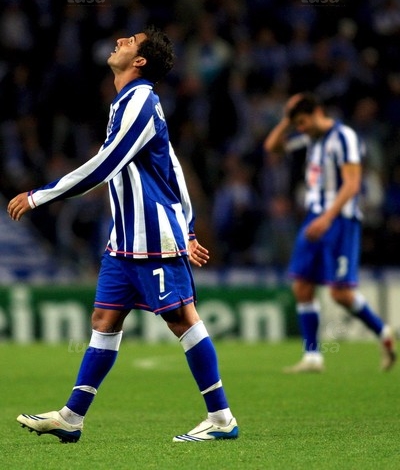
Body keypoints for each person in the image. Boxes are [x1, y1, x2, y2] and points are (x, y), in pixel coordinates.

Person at [8, 26, 239, 443]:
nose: (119, 41)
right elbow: (172, 167)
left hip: (153, 240)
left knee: (182, 319)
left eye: (130, 42)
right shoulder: (125, 103)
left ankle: (221, 418)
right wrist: (188, 227)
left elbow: (104, 165)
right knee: (104, 319)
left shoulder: (141, 101)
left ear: (140, 60)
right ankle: (71, 417)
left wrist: (40, 196)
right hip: (125, 242)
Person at [264, 92, 396, 373]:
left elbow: (352, 184)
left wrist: (328, 218)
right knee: (302, 285)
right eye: (297, 125)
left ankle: (383, 332)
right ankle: (313, 357)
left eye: (302, 122)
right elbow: (272, 147)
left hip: (340, 219)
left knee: (340, 294)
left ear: (317, 113)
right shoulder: (311, 139)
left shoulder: (344, 137)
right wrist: (287, 120)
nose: (300, 129)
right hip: (315, 216)